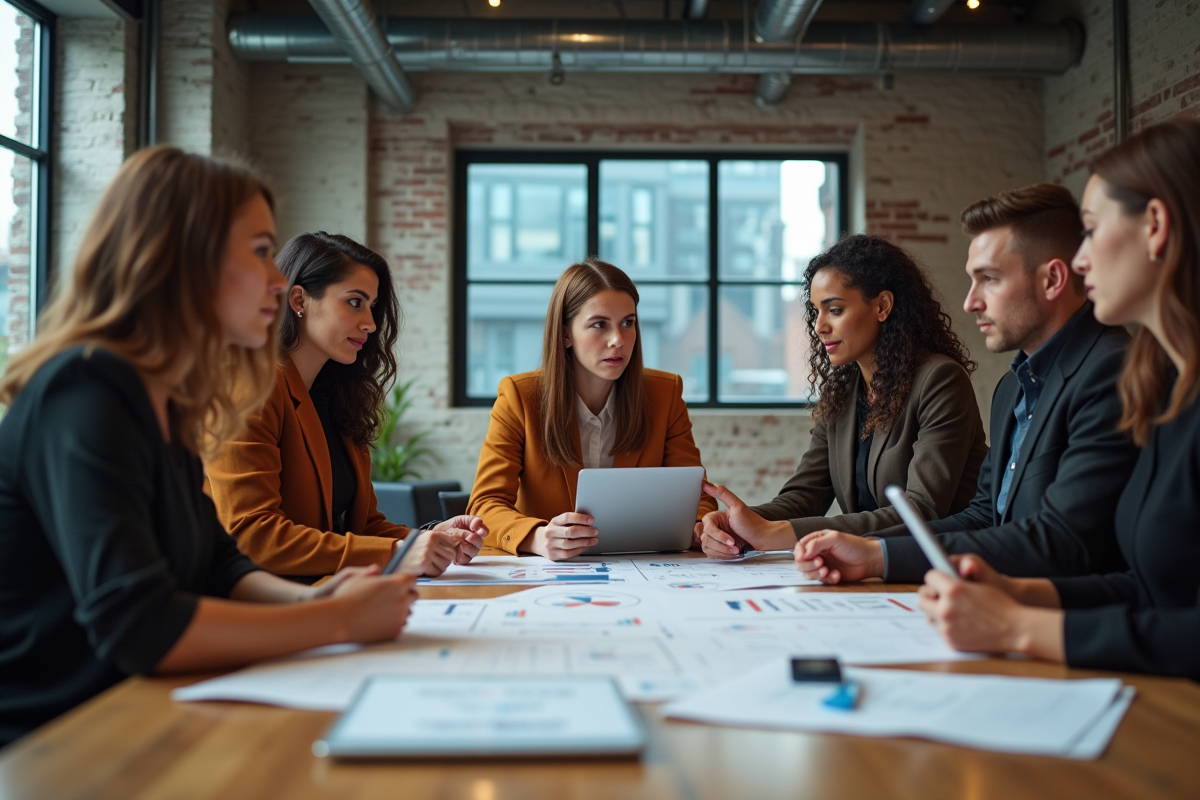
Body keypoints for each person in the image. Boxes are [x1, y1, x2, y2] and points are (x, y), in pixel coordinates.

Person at [0, 147, 420, 747]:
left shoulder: (164, 401)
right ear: (179, 259)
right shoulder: (85, 389)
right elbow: (139, 621)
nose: (279, 281)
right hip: (63, 737)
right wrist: (333, 619)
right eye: (257, 253)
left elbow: (221, 563)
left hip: (142, 711)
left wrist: (323, 596)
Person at [918, 118, 1200, 679]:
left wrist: (1018, 625)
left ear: (1156, 226)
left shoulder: (1121, 374)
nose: (1080, 259)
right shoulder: (1166, 388)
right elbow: (1148, 587)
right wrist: (1020, 592)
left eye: (1092, 230)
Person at [795, 185, 1138, 583]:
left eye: (989, 279)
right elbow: (983, 515)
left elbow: (1062, 542)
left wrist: (879, 557)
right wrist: (876, 552)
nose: (970, 302)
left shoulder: (1110, 373)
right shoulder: (1012, 387)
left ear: (1053, 280)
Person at [205, 232, 486, 581]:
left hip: (326, 596)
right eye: (355, 302)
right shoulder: (248, 387)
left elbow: (359, 526)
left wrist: (430, 539)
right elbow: (251, 536)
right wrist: (399, 553)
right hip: (258, 609)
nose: (370, 323)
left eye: (372, 307)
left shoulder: (336, 397)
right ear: (299, 299)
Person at [700, 235, 988, 558]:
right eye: (815, 312)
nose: (819, 326)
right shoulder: (843, 393)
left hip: (939, 570)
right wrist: (736, 523)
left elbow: (919, 512)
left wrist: (776, 534)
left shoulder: (939, 380)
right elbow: (802, 498)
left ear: (882, 306)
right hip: (869, 574)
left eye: (834, 310)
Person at [469, 258, 717, 560]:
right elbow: (485, 505)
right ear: (565, 334)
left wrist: (703, 528)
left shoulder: (665, 394)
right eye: (600, 325)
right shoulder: (519, 396)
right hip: (550, 577)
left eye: (628, 323)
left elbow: (696, 498)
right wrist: (537, 537)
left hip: (644, 567)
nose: (618, 340)